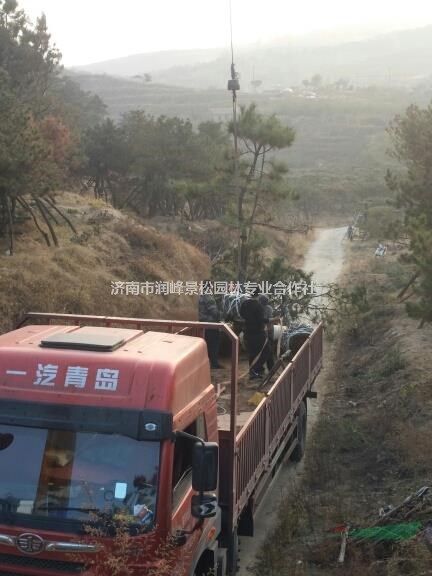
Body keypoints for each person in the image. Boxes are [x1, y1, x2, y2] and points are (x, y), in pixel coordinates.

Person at [240, 289, 271, 379]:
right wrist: (271, 320)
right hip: (258, 333)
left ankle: (254, 372)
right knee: (266, 352)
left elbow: (241, 314)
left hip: (247, 332)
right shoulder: (258, 306)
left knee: (252, 353)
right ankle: (255, 370)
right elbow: (261, 319)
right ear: (258, 294)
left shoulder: (244, 304)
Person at [198, 280, 222, 369]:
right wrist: (221, 316)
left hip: (205, 323)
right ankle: (214, 363)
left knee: (208, 343)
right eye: (212, 285)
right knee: (214, 343)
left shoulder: (202, 295)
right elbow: (214, 312)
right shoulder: (208, 296)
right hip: (211, 324)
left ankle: (208, 363)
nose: (213, 287)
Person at [259, 294, 275, 372]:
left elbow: (267, 320)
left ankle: (268, 368)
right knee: (267, 351)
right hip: (266, 332)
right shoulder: (268, 308)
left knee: (265, 351)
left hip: (266, 332)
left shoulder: (263, 309)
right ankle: (270, 368)